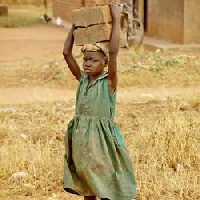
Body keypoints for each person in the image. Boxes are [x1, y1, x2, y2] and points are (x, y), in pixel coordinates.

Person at [62, 3, 136, 200]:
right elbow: (66, 54)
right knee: (87, 182)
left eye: (93, 60)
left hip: (102, 140)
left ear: (104, 64)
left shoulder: (109, 82)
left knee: (104, 181)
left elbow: (113, 52)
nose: (87, 63)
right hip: (81, 139)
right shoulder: (82, 79)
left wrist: (116, 17)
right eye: (85, 59)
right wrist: (75, 28)